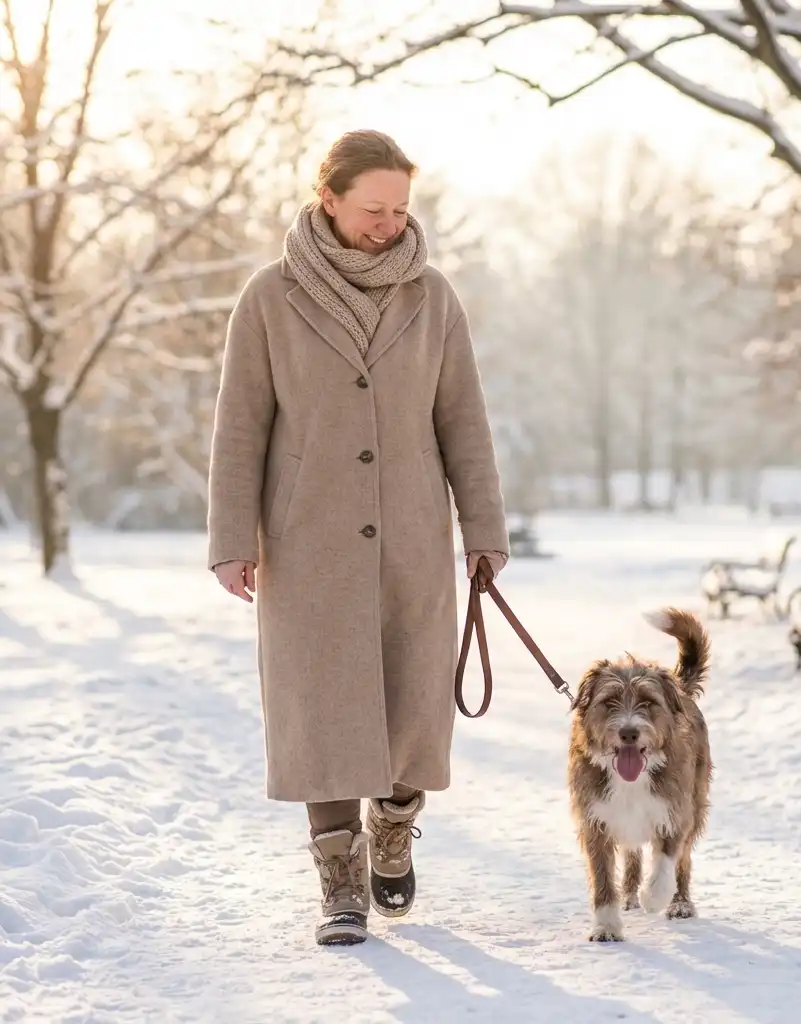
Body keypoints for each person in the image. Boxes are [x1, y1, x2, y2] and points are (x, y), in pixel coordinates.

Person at [206, 129, 509, 946]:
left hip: (412, 530)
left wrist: (482, 528)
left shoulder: (433, 296)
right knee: (323, 707)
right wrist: (232, 538)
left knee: (412, 701)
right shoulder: (268, 298)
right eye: (374, 209)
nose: (389, 224)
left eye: (401, 209)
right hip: (308, 540)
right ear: (329, 198)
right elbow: (240, 428)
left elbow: (464, 423)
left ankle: (396, 825)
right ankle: (339, 877)